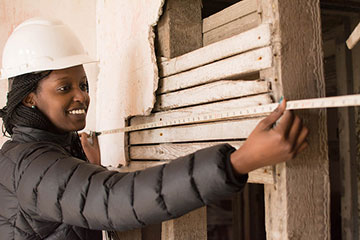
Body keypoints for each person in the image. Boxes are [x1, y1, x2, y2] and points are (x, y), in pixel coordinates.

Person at [0, 17, 308, 240]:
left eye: (83, 84)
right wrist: (239, 162)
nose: (81, 96)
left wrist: (86, 167)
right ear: (29, 98)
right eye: (63, 87)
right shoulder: (31, 165)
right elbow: (116, 201)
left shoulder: (36, 154)